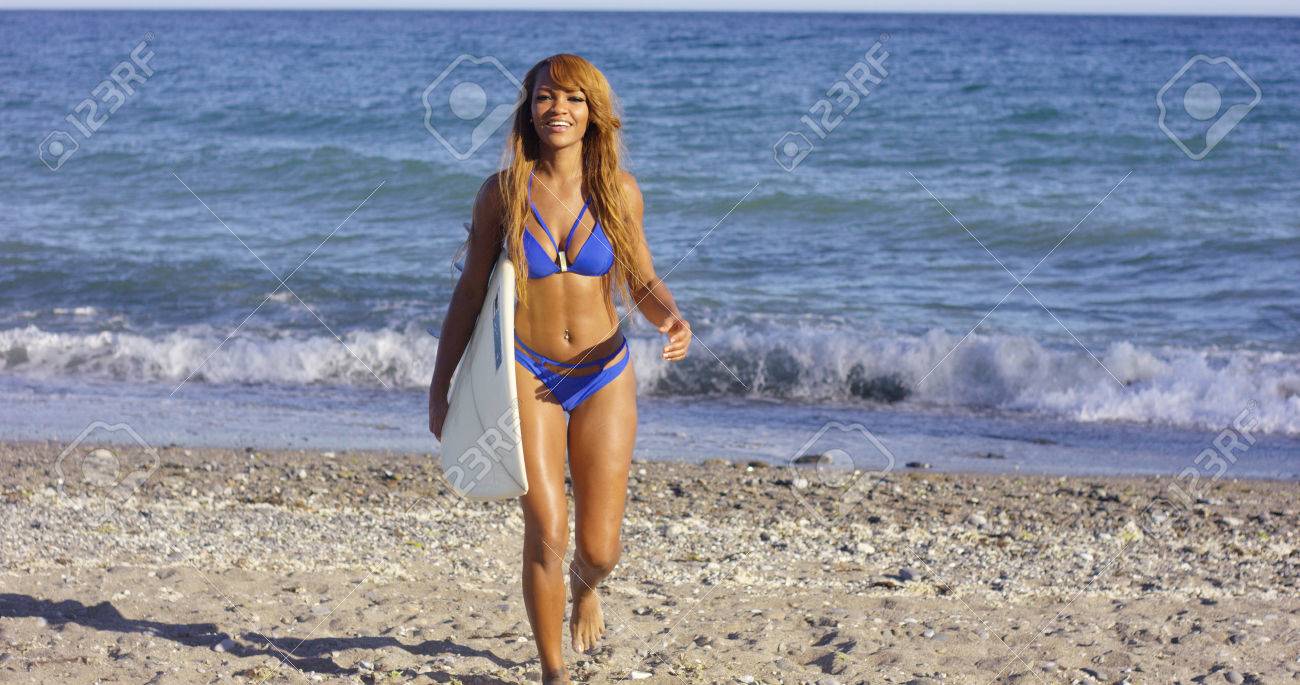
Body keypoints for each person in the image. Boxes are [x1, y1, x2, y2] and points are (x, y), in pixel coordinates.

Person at [427, 53, 692, 684]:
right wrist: (442, 390)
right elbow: (469, 294)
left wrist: (670, 320)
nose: (559, 110)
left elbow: (642, 278)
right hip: (528, 368)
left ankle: (587, 588)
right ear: (529, 108)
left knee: (599, 549)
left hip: (603, 371)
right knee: (547, 526)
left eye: (573, 99)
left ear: (593, 112)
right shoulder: (504, 193)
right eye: (547, 97)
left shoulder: (619, 192)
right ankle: (553, 672)